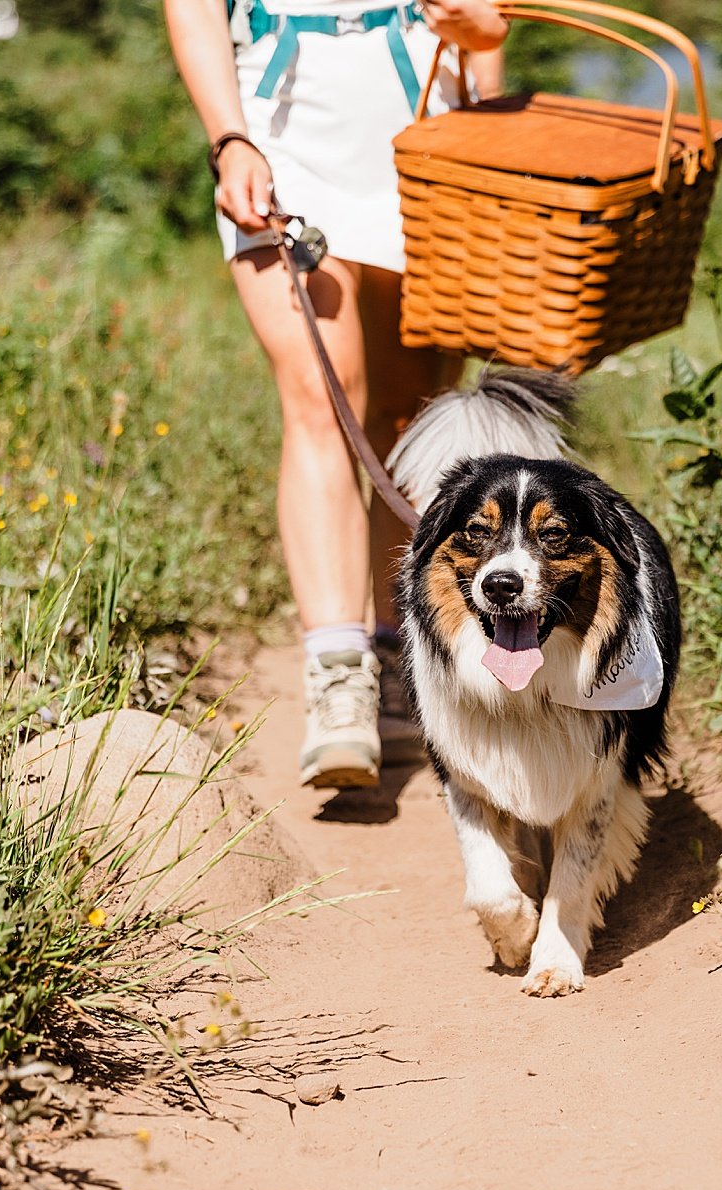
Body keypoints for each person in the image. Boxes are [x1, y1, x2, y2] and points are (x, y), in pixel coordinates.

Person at [165, 0, 509, 789]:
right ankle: (337, 677)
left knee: (412, 416)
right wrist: (230, 138)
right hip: (280, 132)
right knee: (319, 399)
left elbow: (489, 24)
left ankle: (397, 655)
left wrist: (486, 45)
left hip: (426, 128)